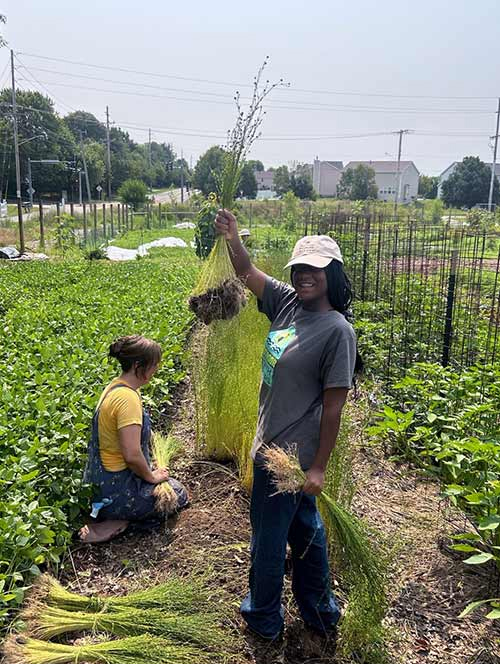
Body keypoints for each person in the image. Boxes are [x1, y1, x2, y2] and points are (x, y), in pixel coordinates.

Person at [215, 209, 357, 653]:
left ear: (331, 273)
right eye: (299, 268)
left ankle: (264, 617)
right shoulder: (288, 302)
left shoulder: (337, 331)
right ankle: (321, 612)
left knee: (268, 539)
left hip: (289, 457)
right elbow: (245, 270)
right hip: (270, 443)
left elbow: (333, 410)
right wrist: (232, 235)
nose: (304, 275)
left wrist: (317, 468)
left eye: (314, 268)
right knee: (306, 534)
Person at [80, 335, 188, 543]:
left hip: (96, 484)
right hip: (115, 491)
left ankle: (112, 515)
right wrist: (152, 477)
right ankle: (119, 520)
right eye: (154, 364)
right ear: (139, 365)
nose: (156, 369)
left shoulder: (114, 387)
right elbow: (131, 454)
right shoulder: (128, 399)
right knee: (178, 493)